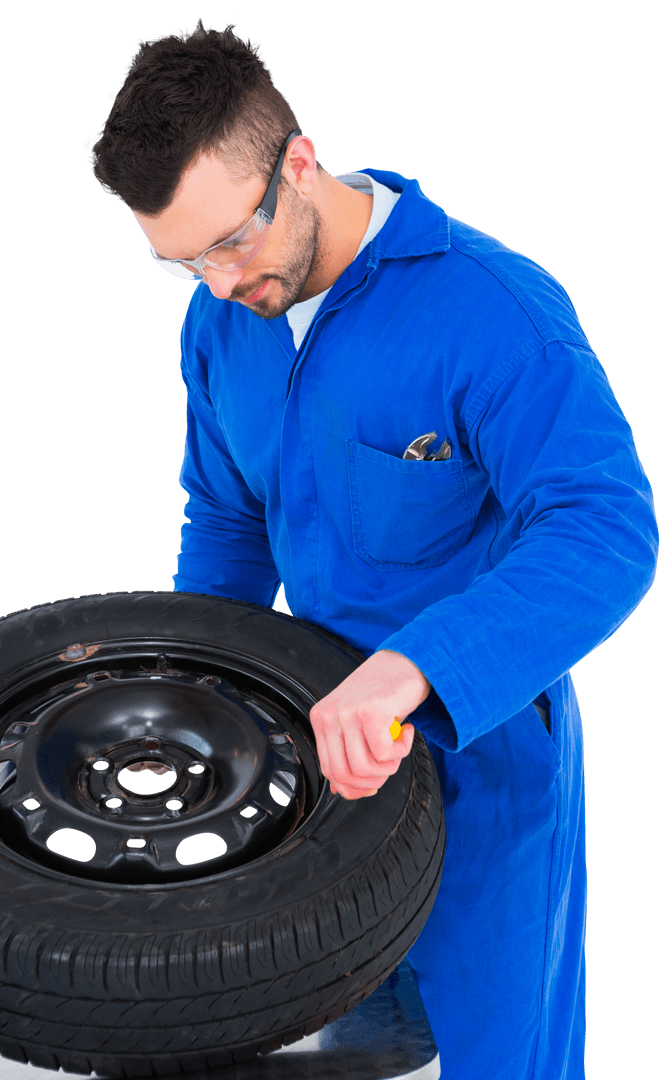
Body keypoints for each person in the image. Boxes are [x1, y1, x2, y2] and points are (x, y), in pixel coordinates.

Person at [89, 19, 658, 1080]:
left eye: (229, 241)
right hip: (311, 775)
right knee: (346, 1056)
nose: (216, 283)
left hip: (482, 772)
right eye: (179, 262)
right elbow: (226, 520)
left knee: (495, 1064)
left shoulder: (493, 314)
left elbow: (606, 529)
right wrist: (189, 705)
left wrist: (411, 670)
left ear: (295, 164)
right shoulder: (221, 321)